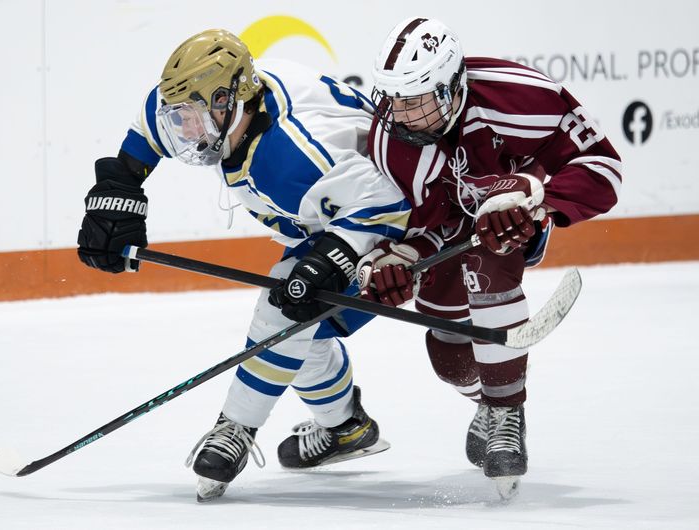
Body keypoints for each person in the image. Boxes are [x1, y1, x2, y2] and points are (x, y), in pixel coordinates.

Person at [76, 29, 410, 501]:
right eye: (181, 118)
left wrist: (333, 256)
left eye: (190, 119)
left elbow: (388, 202)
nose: (185, 130)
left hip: (393, 228)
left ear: (228, 101)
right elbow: (152, 121)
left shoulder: (291, 154)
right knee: (303, 337)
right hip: (337, 209)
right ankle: (348, 429)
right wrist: (122, 188)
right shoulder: (223, 101)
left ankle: (234, 430)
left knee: (285, 306)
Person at [356, 17, 621, 495]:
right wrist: (393, 263)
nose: (401, 114)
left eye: (414, 100)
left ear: (452, 87)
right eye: (393, 99)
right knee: (447, 354)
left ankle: (506, 410)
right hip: (452, 224)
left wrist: (539, 201)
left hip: (513, 214)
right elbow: (420, 223)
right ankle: (491, 393)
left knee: (492, 251)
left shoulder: (522, 99)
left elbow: (604, 169)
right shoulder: (389, 139)